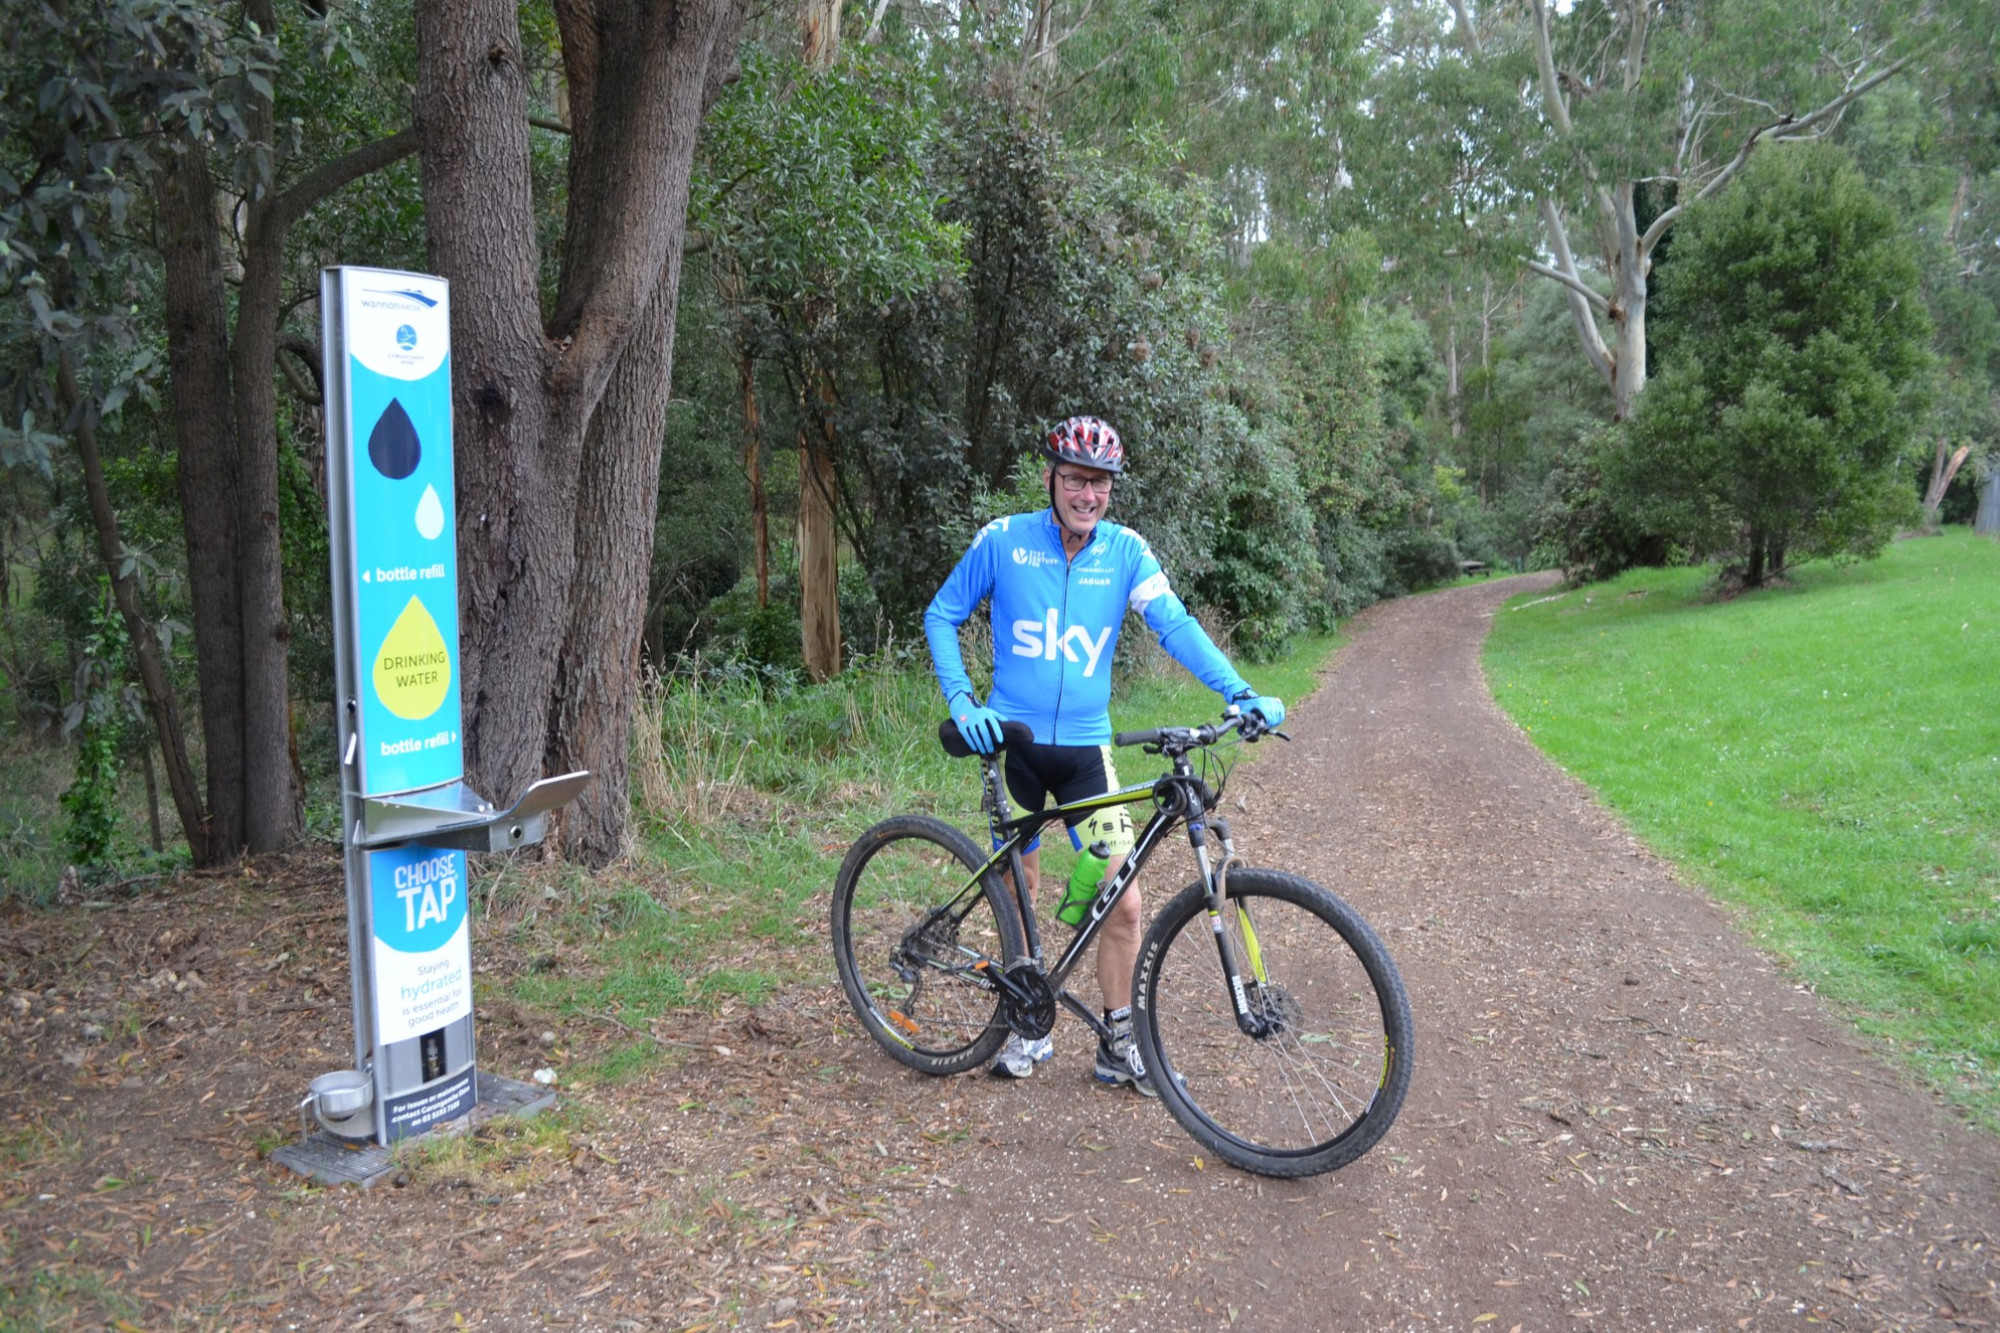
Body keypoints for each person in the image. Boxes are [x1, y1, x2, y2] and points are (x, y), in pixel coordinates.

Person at [923, 415, 1285, 1094]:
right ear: (1051, 479)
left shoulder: (1125, 552)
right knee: (1020, 891)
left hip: (1087, 750)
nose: (1087, 494)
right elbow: (942, 614)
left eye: (1099, 483)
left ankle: (1117, 1039)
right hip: (1016, 745)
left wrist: (1239, 691)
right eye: (1075, 479)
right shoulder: (1004, 541)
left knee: (1121, 899)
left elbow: (1172, 622)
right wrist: (964, 701)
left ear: (1110, 489)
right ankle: (1026, 1023)